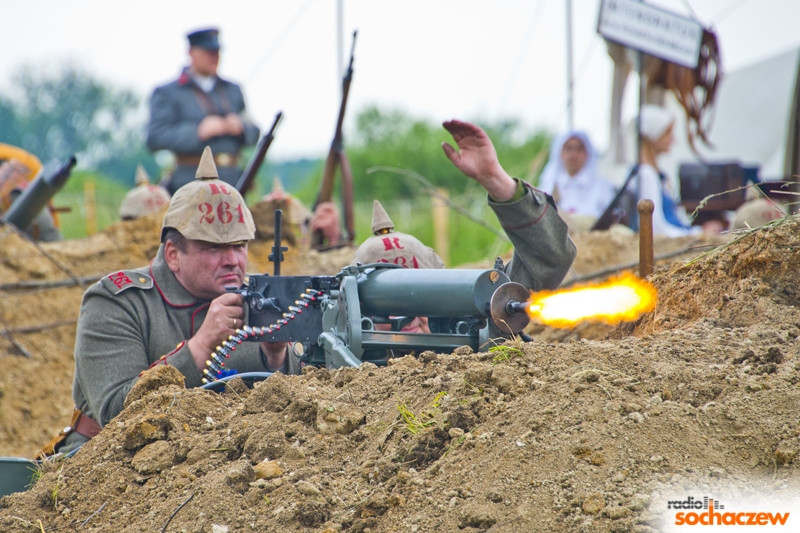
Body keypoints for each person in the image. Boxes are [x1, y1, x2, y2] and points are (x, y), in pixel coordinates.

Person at [51, 147, 285, 454]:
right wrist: (201, 346)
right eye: (213, 248)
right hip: (113, 465)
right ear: (173, 255)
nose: (232, 261)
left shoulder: (260, 298)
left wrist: (277, 356)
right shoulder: (116, 301)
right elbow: (113, 411)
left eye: (239, 245)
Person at [349, 118, 577, 336]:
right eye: (387, 301)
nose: (406, 315)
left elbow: (550, 257)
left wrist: (496, 180)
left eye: (416, 294)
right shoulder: (342, 361)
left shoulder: (472, 329)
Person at [146, 28, 260, 195]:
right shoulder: (168, 92)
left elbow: (254, 132)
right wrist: (198, 131)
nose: (214, 56)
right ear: (191, 52)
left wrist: (241, 127)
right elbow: (155, 137)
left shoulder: (233, 90)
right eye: (208, 51)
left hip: (233, 183)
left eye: (217, 51)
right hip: (189, 184)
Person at [629, 104, 709, 237]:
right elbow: (656, 228)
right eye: (667, 132)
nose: (673, 139)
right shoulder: (646, 174)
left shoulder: (653, 173)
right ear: (654, 135)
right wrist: (699, 234)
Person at [537, 130, 616, 230]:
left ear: (587, 153)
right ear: (560, 153)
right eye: (568, 149)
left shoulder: (602, 186)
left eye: (579, 149)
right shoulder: (549, 184)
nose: (573, 155)